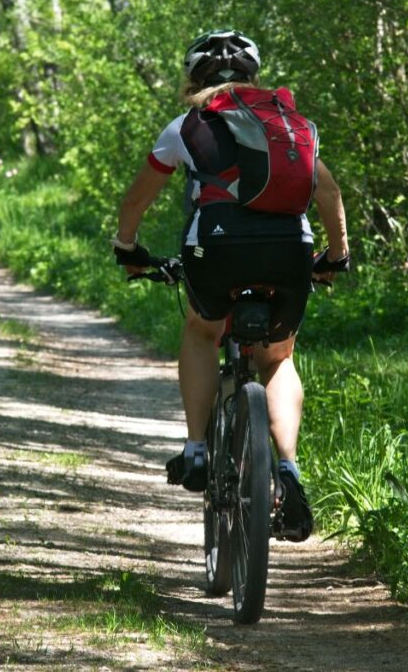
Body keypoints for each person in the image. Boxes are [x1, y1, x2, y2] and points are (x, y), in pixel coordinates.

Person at [112, 30, 349, 541]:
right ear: (252, 77)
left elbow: (135, 202)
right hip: (289, 251)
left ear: (193, 79)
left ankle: (197, 450)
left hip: (215, 251)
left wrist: (127, 250)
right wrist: (336, 256)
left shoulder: (186, 126)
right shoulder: (289, 124)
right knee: (278, 358)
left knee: (202, 330)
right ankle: (288, 469)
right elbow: (327, 191)